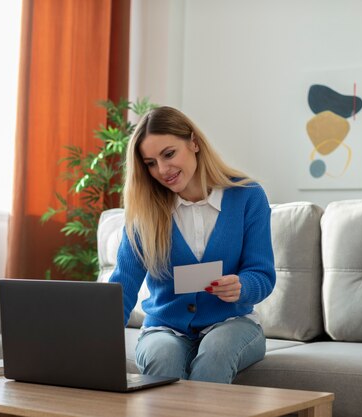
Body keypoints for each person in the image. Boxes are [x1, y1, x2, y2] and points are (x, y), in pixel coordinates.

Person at [109, 106, 275, 383]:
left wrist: (242, 286)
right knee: (162, 355)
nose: (162, 170)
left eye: (169, 154)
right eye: (150, 163)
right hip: (164, 328)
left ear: (194, 143)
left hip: (233, 323)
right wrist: (95, 337)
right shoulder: (144, 212)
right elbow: (123, 286)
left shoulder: (247, 196)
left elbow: (263, 275)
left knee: (216, 351)